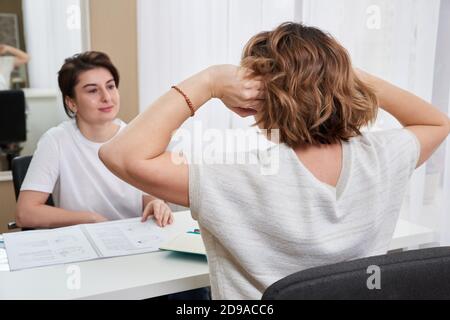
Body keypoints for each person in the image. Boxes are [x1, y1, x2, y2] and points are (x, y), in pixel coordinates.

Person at [98, 22, 450, 299]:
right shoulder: (383, 157)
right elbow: (437, 122)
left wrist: (209, 81)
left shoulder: (236, 172)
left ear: (261, 96)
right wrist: (339, 74)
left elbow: (120, 154)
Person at [15, 51, 173, 229]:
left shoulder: (136, 138)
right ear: (71, 103)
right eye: (92, 90)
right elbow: (25, 213)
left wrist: (155, 203)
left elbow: (146, 195)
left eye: (111, 86)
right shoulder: (55, 141)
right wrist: (90, 219)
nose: (106, 97)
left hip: (134, 241)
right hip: (83, 242)